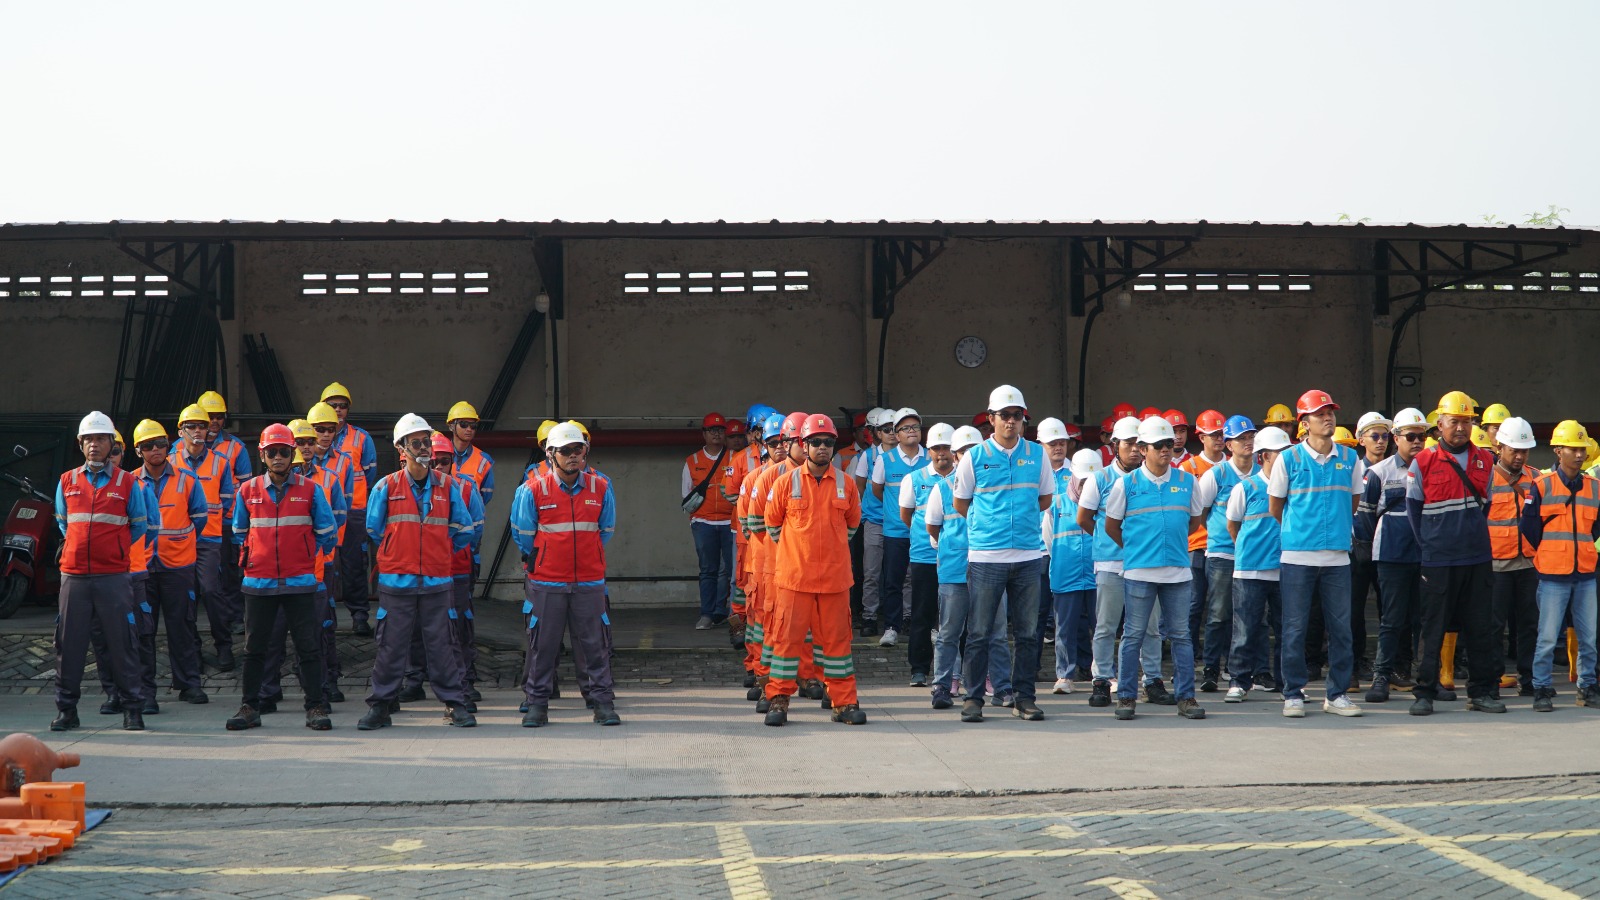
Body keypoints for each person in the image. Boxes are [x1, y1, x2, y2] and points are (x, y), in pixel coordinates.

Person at [359, 414, 477, 730]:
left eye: (426, 441)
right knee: (391, 646)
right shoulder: (386, 487)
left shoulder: (448, 486)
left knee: (443, 646)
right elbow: (374, 529)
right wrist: (401, 551)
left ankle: (454, 704)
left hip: (437, 580)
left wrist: (439, 551)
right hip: (397, 580)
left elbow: (464, 528)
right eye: (416, 442)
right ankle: (381, 706)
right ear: (402, 448)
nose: (424, 447)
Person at [225, 424, 339, 732]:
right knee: (254, 649)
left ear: (293, 455)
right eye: (272, 452)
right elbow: (239, 532)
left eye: (284, 452)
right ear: (262, 455)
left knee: (309, 647)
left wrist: (304, 554)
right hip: (258, 583)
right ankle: (250, 706)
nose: (278, 457)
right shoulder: (247, 491)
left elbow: (327, 533)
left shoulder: (311, 490)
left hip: (300, 581)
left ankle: (315, 707)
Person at [952, 385, 1054, 723]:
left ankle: (1024, 698)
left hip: (1027, 555)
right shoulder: (974, 457)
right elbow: (961, 503)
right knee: (979, 632)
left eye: (1017, 415)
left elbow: (1045, 498)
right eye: (1005, 415)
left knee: (1027, 633)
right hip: (986, 557)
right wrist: (988, 527)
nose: (1011, 421)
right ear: (991, 418)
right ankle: (973, 698)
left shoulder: (1037, 454)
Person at [510, 421, 621, 727]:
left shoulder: (601, 487)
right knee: (542, 646)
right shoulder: (532, 490)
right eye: (566, 450)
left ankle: (602, 703)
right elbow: (523, 535)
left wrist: (587, 555)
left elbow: (606, 530)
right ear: (550, 454)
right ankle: (537, 704)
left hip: (588, 580)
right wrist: (547, 556)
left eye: (578, 449)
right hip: (547, 581)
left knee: (595, 645)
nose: (574, 455)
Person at [762, 414, 866, 726]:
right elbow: (772, 525)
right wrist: (797, 553)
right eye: (816, 442)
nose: (823, 447)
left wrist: (829, 551)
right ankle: (778, 700)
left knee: (837, 644)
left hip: (835, 581)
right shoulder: (785, 483)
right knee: (787, 642)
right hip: (795, 580)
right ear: (803, 445)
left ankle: (844, 703)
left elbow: (852, 525)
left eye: (828, 442)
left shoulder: (846, 484)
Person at [1102, 416, 1209, 721]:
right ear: (1143, 449)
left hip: (1177, 572)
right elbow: (1111, 525)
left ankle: (1186, 698)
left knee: (1181, 636)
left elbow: (1194, 521)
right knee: (1133, 635)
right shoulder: (1126, 484)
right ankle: (1126, 697)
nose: (1165, 449)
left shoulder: (1187, 481)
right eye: (1159, 445)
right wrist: (1136, 549)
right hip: (1139, 572)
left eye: (1169, 444)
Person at [1404, 391, 1502, 716]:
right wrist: (1432, 545)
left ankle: (1481, 693)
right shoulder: (1423, 462)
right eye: (1454, 421)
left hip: (1477, 557)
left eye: (1466, 421)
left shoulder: (1486, 461)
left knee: (1480, 628)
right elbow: (1413, 511)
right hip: (1439, 560)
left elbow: (1486, 506)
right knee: (1432, 628)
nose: (1461, 428)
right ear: (1440, 424)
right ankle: (1424, 693)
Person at [1268, 389, 1365, 718]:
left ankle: (1337, 694)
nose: (1328, 418)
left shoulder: (1350, 459)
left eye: (1330, 412)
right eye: (1320, 414)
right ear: (1304, 423)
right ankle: (1293, 693)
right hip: (1298, 557)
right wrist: (1301, 532)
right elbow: (1276, 507)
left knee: (1341, 629)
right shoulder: (1289, 459)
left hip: (1337, 557)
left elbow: (1353, 503)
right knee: (1294, 629)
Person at [52, 412, 150, 732]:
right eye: (89, 439)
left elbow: (139, 526)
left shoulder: (128, 482)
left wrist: (114, 550)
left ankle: (132, 709)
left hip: (113, 576)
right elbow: (63, 523)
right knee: (69, 645)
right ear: (81, 444)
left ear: (111, 444)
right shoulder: (67, 481)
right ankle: (67, 711)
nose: (94, 444)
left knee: (123, 643)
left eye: (100, 439)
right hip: (74, 576)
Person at [1077, 416, 1168, 709]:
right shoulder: (1100, 478)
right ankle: (1102, 680)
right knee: (1106, 625)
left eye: (1138, 444)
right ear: (1115, 445)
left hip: (1146, 564)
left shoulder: (1150, 478)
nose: (1134, 450)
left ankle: (1152, 680)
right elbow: (1084, 518)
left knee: (1150, 627)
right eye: (1128, 444)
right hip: (1111, 563)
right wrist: (1111, 542)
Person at [926, 426, 1012, 709]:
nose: (968, 457)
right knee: (949, 632)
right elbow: (933, 527)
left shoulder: (996, 487)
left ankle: (1002, 687)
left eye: (973, 451)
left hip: (992, 568)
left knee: (996, 634)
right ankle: (941, 686)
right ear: (955, 456)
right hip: (955, 571)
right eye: (963, 452)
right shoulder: (941, 488)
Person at [129, 419, 210, 707]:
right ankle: (145, 693)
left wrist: (178, 544)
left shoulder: (187, 480)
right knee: (143, 632)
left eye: (160, 444)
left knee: (183, 627)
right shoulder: (129, 482)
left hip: (178, 567)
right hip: (142, 568)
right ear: (138, 451)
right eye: (148, 446)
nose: (155, 450)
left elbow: (199, 518)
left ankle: (189, 685)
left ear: (168, 445)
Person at [1522, 420, 1600, 712]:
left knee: (1589, 637)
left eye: (1582, 449)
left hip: (1585, 573)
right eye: (1572, 449)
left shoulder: (1595, 487)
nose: (1579, 455)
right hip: (1553, 574)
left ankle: (1587, 686)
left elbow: (1596, 527)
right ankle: (1541, 688)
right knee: (1547, 637)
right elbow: (1529, 528)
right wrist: (1549, 553)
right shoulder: (1542, 485)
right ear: (1558, 451)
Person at [1359, 408, 1428, 703]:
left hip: (1424, 556)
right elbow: (1365, 519)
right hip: (1391, 554)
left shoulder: (1432, 467)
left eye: (1422, 436)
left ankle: (1426, 678)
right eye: (1411, 436)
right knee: (1392, 619)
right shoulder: (1378, 473)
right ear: (1396, 438)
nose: (1417, 442)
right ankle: (1382, 677)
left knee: (1424, 619)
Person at [1224, 425, 1292, 701]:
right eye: (1280, 453)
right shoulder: (1246, 488)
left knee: (1287, 630)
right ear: (1264, 456)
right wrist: (1249, 551)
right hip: (1250, 570)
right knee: (1244, 630)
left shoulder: (1294, 487)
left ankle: (1287, 684)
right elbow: (1233, 525)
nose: (1286, 458)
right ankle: (1238, 681)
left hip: (1286, 568)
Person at [171, 403, 238, 672]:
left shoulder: (220, 462)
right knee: (185, 597)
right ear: (181, 431)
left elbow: (227, 499)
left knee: (211, 591)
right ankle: (192, 651)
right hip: (178, 542)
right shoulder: (171, 462)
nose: (198, 431)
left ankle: (224, 646)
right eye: (192, 426)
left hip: (209, 539)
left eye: (202, 426)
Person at [1194, 415, 1258, 693]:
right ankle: (1211, 669)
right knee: (1218, 613)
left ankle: (1242, 670)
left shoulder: (1261, 472)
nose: (1248, 442)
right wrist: (1219, 536)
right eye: (1241, 439)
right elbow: (1200, 512)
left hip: (1255, 554)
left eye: (1251, 437)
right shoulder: (1216, 474)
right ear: (1229, 445)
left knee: (1250, 615)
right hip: (1222, 553)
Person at [320, 382, 378, 636]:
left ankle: (359, 616)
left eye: (343, 406)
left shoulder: (362, 438)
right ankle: (324, 617)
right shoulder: (311, 436)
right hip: (321, 512)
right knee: (323, 566)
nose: (338, 409)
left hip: (354, 511)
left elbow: (370, 474)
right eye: (333, 405)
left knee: (354, 565)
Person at [1487, 416, 1540, 697]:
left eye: (1524, 451)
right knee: (1494, 625)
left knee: (1529, 624)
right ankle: (1494, 677)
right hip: (1496, 564)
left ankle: (1528, 678)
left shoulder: (1537, 478)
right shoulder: (1487, 478)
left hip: (1529, 563)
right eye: (1514, 450)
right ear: (1500, 448)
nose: (1519, 456)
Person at [899, 422, 954, 686]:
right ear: (928, 451)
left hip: (957, 557)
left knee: (956, 617)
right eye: (936, 448)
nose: (941, 453)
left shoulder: (964, 477)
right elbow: (906, 516)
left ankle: (956, 671)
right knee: (922, 613)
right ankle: (919, 669)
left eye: (946, 447)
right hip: (924, 557)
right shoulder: (913, 479)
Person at [198, 391, 253, 645]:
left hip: (228, 522)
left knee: (231, 572)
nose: (214, 421)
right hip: (194, 525)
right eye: (209, 416)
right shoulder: (178, 449)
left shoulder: (236, 447)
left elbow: (245, 488)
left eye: (219, 416)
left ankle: (234, 618)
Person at [873, 407, 929, 648]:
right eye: (905, 428)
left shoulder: (930, 457)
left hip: (925, 532)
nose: (911, 431)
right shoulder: (884, 460)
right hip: (895, 532)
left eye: (915, 426)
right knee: (893, 582)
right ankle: (891, 628)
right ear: (896, 434)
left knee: (925, 582)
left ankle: (927, 626)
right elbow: (877, 490)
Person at [1048, 447, 1100, 694]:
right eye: (1083, 480)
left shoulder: (1106, 502)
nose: (1087, 485)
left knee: (1102, 626)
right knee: (1065, 628)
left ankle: (1103, 673)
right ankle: (1064, 675)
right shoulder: (1057, 502)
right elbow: (1048, 539)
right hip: (1065, 572)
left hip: (1097, 572)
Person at [1183, 409, 1229, 687]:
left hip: (1222, 548)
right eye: (1213, 435)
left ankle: (1225, 663)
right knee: (1193, 606)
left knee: (1222, 609)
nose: (1219, 439)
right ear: (1201, 437)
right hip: (1195, 547)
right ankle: (1187, 661)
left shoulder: (1233, 465)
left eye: (1222, 434)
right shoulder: (1188, 468)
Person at [1350, 410, 1393, 685]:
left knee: (1389, 609)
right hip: (1358, 547)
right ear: (1361, 440)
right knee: (1353, 610)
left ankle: (1387, 664)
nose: (1380, 441)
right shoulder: (1353, 470)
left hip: (1387, 547)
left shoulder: (1395, 470)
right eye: (1374, 436)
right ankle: (1356, 663)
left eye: (1385, 436)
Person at [684, 412, 734, 629]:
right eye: (712, 430)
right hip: (703, 523)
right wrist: (696, 519)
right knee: (708, 570)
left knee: (733, 572)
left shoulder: (735, 458)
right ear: (703, 433)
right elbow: (686, 494)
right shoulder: (692, 460)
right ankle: (707, 614)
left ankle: (726, 613)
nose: (716, 433)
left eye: (720, 430)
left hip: (730, 523)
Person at [852, 408, 898, 635]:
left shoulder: (906, 455)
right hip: (874, 521)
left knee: (901, 574)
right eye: (886, 429)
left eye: (895, 429)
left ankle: (902, 617)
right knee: (871, 572)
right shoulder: (867, 457)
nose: (892, 433)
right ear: (877, 433)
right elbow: (859, 488)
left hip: (900, 522)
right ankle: (869, 617)